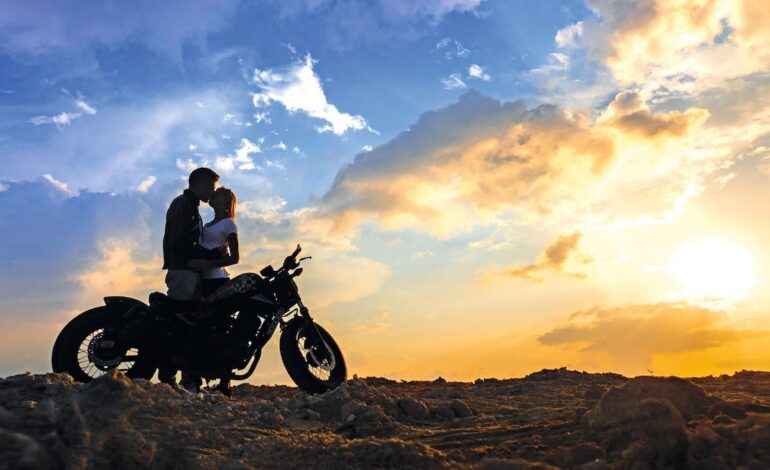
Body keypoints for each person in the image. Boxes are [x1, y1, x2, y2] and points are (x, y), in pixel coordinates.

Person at [160, 167, 223, 390]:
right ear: (201, 184)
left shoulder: (192, 208)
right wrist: (211, 255)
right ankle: (167, 379)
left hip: (189, 273)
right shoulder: (183, 205)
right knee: (176, 325)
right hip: (182, 272)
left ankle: (188, 380)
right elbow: (180, 243)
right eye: (211, 188)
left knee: (188, 326)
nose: (211, 193)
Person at [188, 186, 240, 396]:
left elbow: (235, 258)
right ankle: (197, 377)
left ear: (226, 202)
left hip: (218, 281)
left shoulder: (229, 223)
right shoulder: (207, 223)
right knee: (200, 327)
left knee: (220, 329)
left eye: (220, 193)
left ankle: (225, 382)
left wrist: (208, 265)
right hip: (201, 282)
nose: (214, 194)